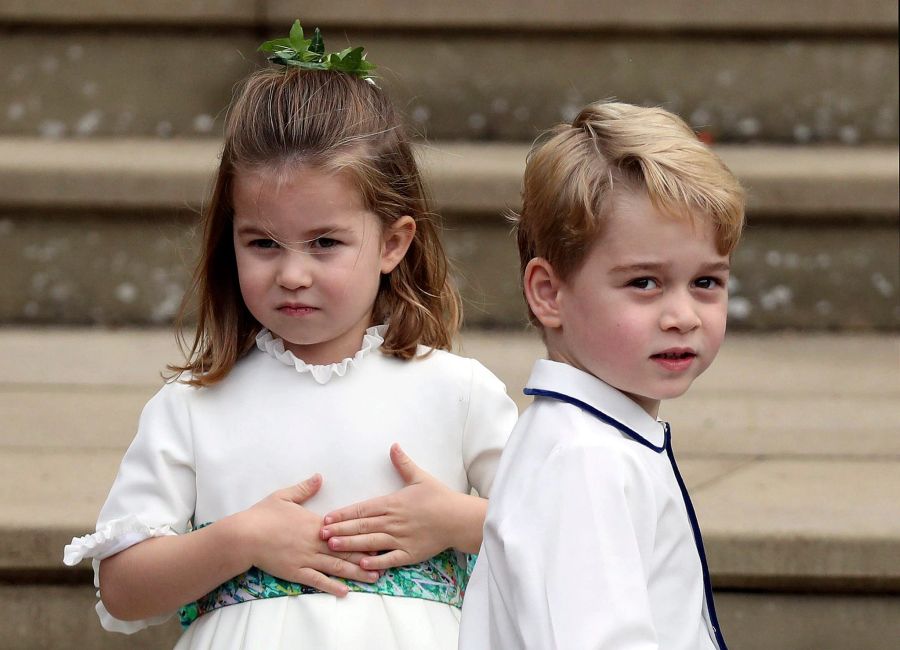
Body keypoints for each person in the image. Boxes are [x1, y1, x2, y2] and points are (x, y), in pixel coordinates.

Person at [63, 22, 517, 650]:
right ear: (232, 241)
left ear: (392, 243)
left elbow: (557, 534)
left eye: (325, 242)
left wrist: (459, 521)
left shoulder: (457, 391)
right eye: (263, 243)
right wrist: (239, 539)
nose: (292, 274)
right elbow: (122, 590)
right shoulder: (194, 408)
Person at [458, 101, 745, 649]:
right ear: (549, 292)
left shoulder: (596, 438)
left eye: (706, 283)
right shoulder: (584, 458)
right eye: (644, 283)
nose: (682, 315)